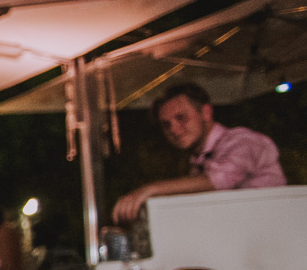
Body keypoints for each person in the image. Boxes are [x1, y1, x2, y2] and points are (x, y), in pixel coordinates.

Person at [111, 82, 287, 223]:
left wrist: (149, 190)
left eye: (181, 117)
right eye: (166, 124)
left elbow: (220, 179)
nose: (174, 129)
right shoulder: (198, 159)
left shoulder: (242, 140)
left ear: (206, 112)